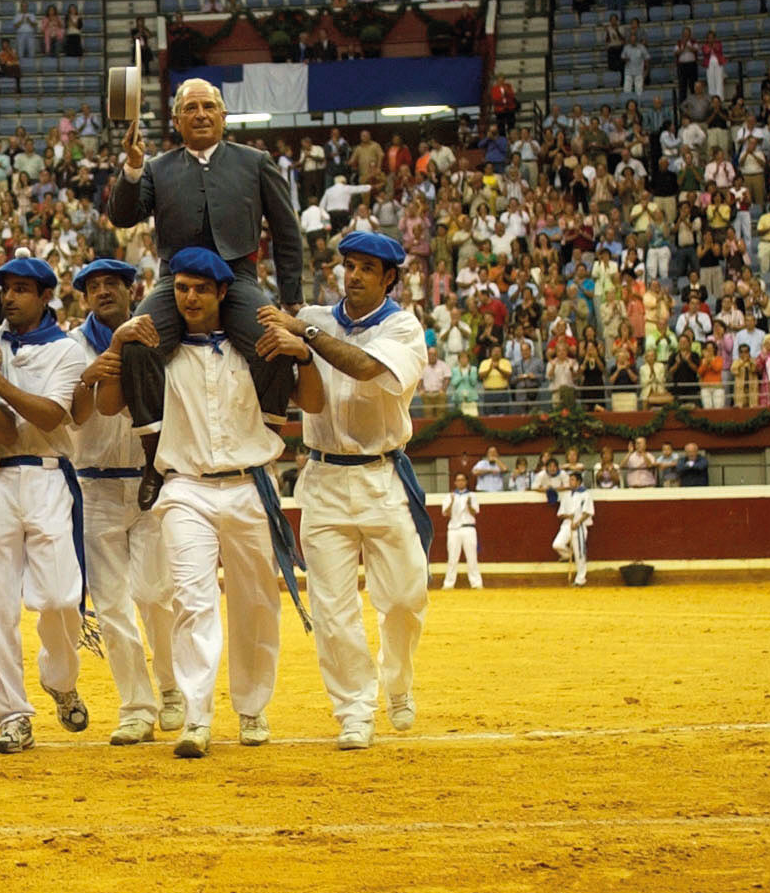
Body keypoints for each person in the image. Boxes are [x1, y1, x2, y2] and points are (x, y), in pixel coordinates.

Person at [99, 248, 298, 758]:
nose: (190, 298)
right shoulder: (156, 354)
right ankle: (197, 716)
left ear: (222, 294)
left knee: (257, 602)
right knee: (191, 599)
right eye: (182, 288)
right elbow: (107, 403)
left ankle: (252, 708)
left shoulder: (255, 351)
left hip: (250, 482)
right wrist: (122, 344)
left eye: (201, 289)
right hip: (184, 486)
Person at [261, 231, 430, 751]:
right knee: (333, 608)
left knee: (405, 598)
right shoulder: (316, 316)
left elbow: (363, 366)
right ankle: (354, 709)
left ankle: (396, 682)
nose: (352, 276)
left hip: (383, 474)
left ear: (389, 279)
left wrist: (304, 334)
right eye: (348, 265)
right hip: (323, 477)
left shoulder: (403, 327)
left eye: (365, 269)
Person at [106, 78, 304, 510]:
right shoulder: (156, 167)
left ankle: (267, 444)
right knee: (136, 340)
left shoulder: (255, 162)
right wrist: (134, 166)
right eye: (190, 108)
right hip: (177, 280)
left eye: (208, 106)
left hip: (238, 278)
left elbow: (287, 231)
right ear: (176, 120)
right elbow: (122, 216)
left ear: (223, 116)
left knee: (277, 340)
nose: (200, 114)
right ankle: (153, 460)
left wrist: (292, 300)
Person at [0, 256, 90, 754]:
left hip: (47, 475)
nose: (10, 298)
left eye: (21, 289)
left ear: (44, 298)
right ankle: (12, 716)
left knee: (61, 597)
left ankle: (59, 677)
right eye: (4, 290)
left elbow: (50, 415)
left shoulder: (67, 350)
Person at [67, 258, 182, 745]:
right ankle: (136, 704)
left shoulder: (159, 337)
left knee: (157, 595)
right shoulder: (70, 347)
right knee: (112, 606)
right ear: (83, 298)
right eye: (93, 287)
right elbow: (66, 414)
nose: (102, 292)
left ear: (131, 290)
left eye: (111, 283)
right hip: (93, 487)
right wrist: (84, 378)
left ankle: (173, 688)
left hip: (151, 480)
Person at [441, 471, 483, 590]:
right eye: (458, 480)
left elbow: (475, 512)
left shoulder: (472, 496)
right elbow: (446, 513)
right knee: (452, 558)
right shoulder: (449, 496)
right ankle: (448, 584)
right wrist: (452, 502)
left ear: (466, 482)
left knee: (472, 557)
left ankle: (476, 583)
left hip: (468, 528)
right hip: (454, 529)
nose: (460, 482)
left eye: (462, 480)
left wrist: (469, 504)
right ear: (455, 482)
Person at [551, 472, 595, 586]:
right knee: (557, 544)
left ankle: (580, 579)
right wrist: (568, 517)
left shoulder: (585, 494)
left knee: (580, 554)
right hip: (566, 525)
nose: (570, 482)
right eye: (570, 480)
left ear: (579, 482)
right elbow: (560, 514)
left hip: (579, 526)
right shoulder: (566, 495)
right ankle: (567, 554)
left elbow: (588, 512)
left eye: (572, 480)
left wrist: (577, 522)